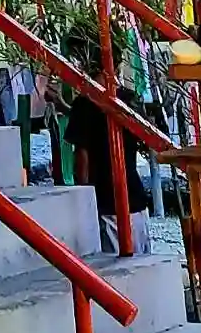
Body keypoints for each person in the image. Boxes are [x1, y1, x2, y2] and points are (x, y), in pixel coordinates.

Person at [63, 85, 149, 253]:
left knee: (115, 259)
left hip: (105, 199)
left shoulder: (85, 102)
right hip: (134, 196)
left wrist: (84, 198)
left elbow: (82, 156)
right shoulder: (129, 98)